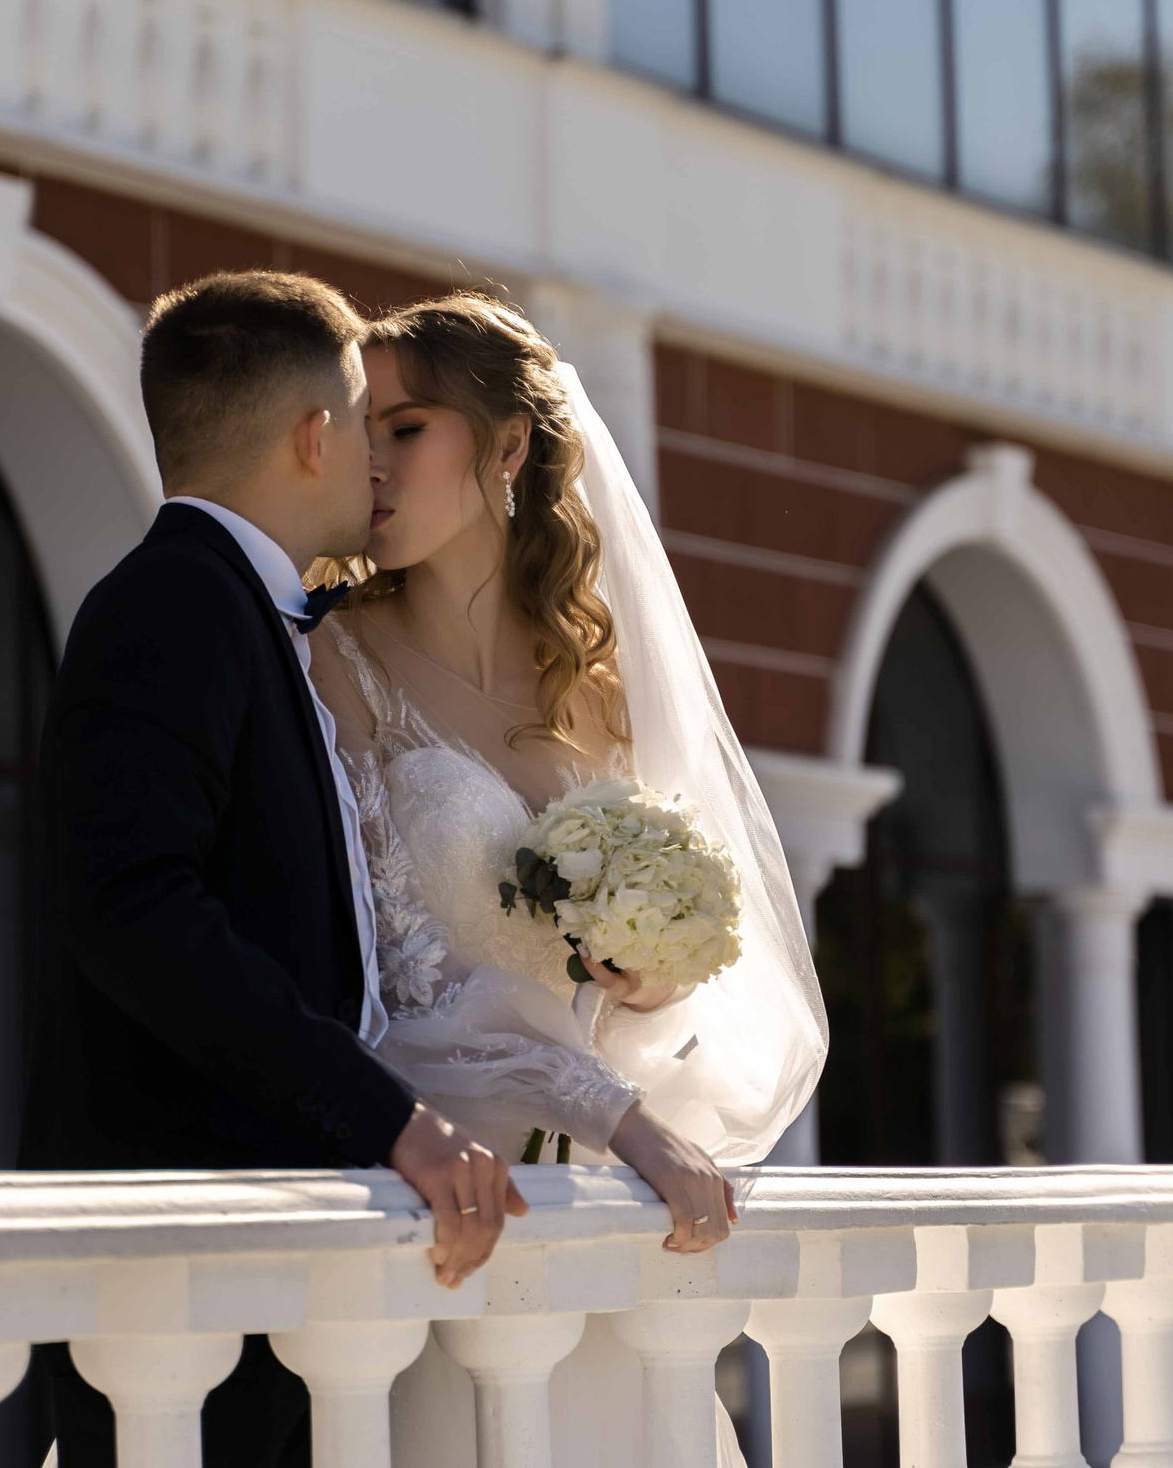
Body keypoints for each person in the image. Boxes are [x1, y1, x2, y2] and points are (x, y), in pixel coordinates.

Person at [308, 294, 828, 1466]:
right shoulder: (328, 658)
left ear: (506, 447)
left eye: (409, 428)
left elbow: (637, 993)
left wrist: (644, 983)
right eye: (361, 429)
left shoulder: (593, 691)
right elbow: (377, 1001)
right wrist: (614, 1114)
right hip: (441, 1213)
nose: (373, 464)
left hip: (591, 1220)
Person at [20, 272, 528, 1468]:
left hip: (273, 1275)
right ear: (315, 436)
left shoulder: (255, 617)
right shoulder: (170, 607)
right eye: (364, 424)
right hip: (186, 1274)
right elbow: (136, 908)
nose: (377, 461)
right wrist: (386, 1118)